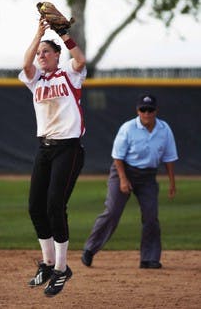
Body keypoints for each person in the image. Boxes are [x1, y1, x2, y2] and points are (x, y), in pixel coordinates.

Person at [18, 18, 87, 297]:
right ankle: (47, 264)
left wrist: (62, 35)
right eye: (39, 53)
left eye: (46, 52)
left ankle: (61, 269)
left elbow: (80, 60)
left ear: (58, 55)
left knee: (54, 205)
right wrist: (38, 34)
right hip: (44, 149)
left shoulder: (69, 74)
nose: (40, 56)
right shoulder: (36, 80)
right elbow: (26, 66)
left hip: (68, 149)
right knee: (36, 206)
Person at [81, 94, 178, 269]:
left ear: (156, 111)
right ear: (137, 110)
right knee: (112, 212)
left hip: (148, 176)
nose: (147, 113)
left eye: (150, 110)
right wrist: (123, 180)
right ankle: (89, 249)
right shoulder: (128, 128)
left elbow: (169, 158)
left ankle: (149, 258)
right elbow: (117, 157)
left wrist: (172, 183)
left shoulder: (164, 130)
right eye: (143, 109)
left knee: (151, 217)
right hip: (123, 171)